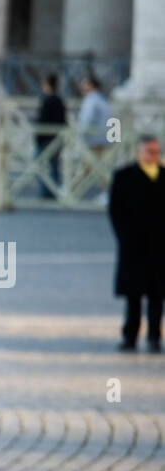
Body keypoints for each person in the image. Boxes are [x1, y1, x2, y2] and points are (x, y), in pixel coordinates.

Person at [109, 134, 165, 352]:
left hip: (160, 248)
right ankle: (130, 337)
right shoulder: (124, 176)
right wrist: (124, 236)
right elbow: (115, 210)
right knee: (133, 296)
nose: (153, 156)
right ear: (139, 153)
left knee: (157, 296)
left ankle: (154, 338)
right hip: (134, 246)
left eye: (156, 152)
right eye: (149, 152)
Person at [35, 73, 67, 199]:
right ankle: (53, 190)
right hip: (56, 138)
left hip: (45, 139)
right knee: (54, 167)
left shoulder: (47, 101)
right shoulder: (59, 101)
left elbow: (42, 121)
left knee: (39, 166)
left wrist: (38, 138)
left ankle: (47, 191)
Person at [78, 76, 112, 151]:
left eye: (84, 84)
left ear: (91, 85)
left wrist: (80, 136)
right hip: (104, 141)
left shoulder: (91, 100)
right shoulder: (103, 100)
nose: (82, 87)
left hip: (92, 142)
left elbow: (86, 121)